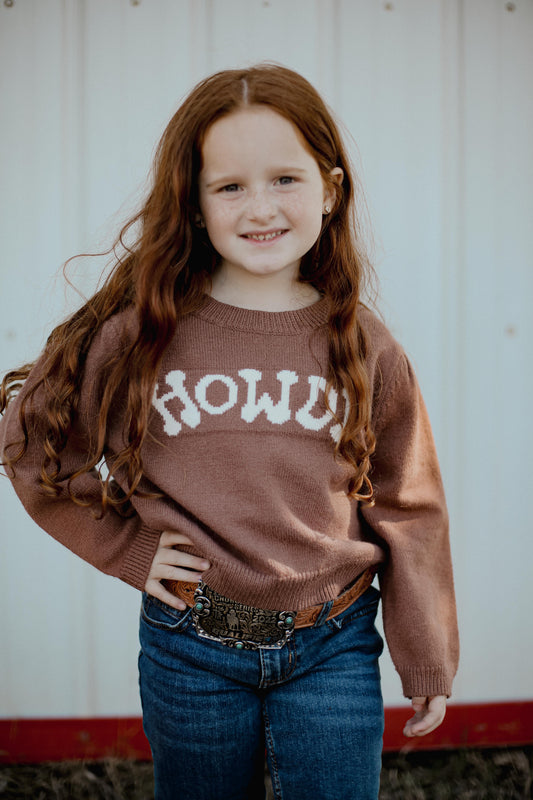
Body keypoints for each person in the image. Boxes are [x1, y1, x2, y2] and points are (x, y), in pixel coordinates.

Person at [0, 64, 459, 800]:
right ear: (194, 203)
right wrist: (126, 547)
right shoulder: (140, 334)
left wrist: (425, 647)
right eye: (230, 187)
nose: (260, 207)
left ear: (329, 190)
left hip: (333, 643)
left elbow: (408, 505)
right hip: (190, 648)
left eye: (285, 179)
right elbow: (32, 447)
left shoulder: (366, 347)